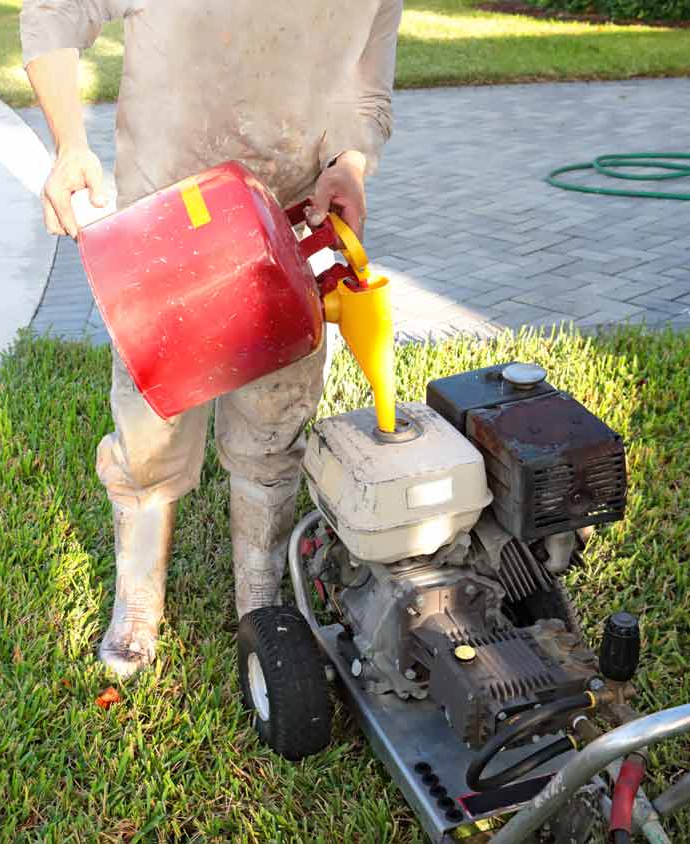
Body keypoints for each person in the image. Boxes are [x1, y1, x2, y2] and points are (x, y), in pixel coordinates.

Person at [21, 1, 404, 677]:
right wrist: (69, 146)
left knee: (274, 426)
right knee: (151, 425)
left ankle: (259, 602)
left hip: (287, 221)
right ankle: (137, 603)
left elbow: (364, 86)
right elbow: (55, 10)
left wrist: (348, 166)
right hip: (168, 220)